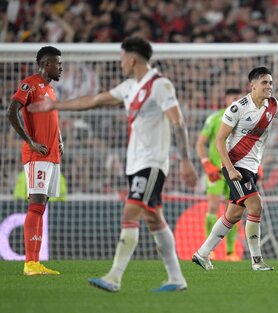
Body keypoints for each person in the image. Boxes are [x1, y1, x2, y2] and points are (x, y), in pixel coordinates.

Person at [29, 36, 198, 292]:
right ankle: (176, 278)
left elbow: (178, 122)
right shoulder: (129, 87)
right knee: (154, 218)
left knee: (131, 211)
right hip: (135, 163)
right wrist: (55, 104)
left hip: (152, 163)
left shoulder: (160, 85)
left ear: (131, 59)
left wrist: (185, 160)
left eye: (121, 58)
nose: (120, 63)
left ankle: (114, 277)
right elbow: (93, 100)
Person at [192, 66, 278, 271]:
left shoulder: (274, 106)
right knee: (256, 205)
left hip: (252, 168)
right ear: (252, 85)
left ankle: (202, 254)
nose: (269, 87)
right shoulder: (238, 108)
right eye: (264, 83)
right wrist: (230, 169)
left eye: (271, 83)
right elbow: (219, 141)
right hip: (235, 165)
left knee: (233, 215)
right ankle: (256, 261)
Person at [7, 46, 64, 276]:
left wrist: (59, 137)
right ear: (46, 63)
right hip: (37, 154)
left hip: (51, 155)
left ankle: (36, 262)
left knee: (41, 208)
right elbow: (12, 112)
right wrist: (29, 141)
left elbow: (51, 118)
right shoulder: (29, 84)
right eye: (58, 63)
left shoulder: (50, 90)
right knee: (36, 205)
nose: (61, 67)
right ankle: (29, 263)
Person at [196, 88, 243, 262]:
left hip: (236, 171)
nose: (235, 100)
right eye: (232, 97)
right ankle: (208, 250)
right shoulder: (215, 118)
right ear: (225, 100)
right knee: (213, 208)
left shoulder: (246, 120)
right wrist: (206, 163)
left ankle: (231, 252)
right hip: (216, 171)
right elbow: (200, 144)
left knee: (234, 211)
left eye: (238, 98)